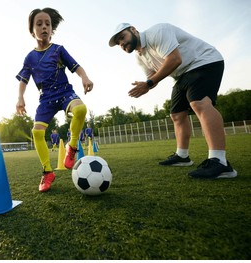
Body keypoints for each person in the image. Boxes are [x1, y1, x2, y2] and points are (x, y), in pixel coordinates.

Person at [108, 23, 237, 179]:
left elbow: (175, 59)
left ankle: (220, 162)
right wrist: (146, 86)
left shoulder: (158, 32)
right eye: (118, 43)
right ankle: (182, 156)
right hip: (182, 74)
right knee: (176, 114)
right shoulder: (139, 57)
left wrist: (148, 84)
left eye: (122, 37)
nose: (122, 43)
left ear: (134, 30)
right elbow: (153, 77)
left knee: (199, 103)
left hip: (204, 61)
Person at [16, 7, 94, 192]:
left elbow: (76, 66)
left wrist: (85, 77)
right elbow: (23, 80)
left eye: (47, 24)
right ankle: (47, 172)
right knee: (36, 133)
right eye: (39, 24)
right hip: (46, 100)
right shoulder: (30, 58)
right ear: (32, 30)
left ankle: (72, 146)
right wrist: (20, 98)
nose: (44, 27)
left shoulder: (58, 50)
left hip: (65, 92)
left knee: (81, 109)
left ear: (52, 30)